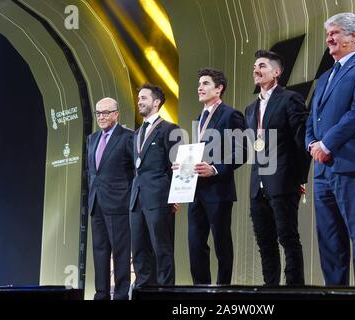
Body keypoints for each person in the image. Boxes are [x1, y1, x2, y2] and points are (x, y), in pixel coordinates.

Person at [305, 12, 355, 286]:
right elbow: (311, 119)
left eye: (335, 32)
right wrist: (312, 144)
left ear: (353, 36)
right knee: (329, 241)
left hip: (353, 165)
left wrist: (327, 143)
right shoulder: (325, 77)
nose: (329, 38)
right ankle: (335, 293)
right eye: (328, 33)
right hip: (323, 170)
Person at [245, 50, 310, 285]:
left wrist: (300, 178)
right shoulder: (250, 109)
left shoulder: (289, 98)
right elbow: (249, 147)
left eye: (261, 65)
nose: (256, 70)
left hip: (283, 181)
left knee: (288, 239)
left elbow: (301, 138)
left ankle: (294, 290)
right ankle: (269, 290)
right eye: (254, 66)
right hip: (257, 185)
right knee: (265, 243)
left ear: (276, 72)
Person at [187, 68, 246, 285]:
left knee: (222, 244)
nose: (199, 87)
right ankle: (200, 290)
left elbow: (242, 152)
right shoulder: (198, 118)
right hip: (196, 190)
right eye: (199, 83)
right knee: (195, 245)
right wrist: (183, 166)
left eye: (205, 83)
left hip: (219, 190)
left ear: (219, 89)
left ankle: (223, 290)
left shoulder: (231, 115)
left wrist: (216, 168)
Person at [130, 84, 180, 287]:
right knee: (139, 250)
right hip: (137, 199)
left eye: (144, 98)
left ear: (156, 102)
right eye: (138, 98)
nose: (139, 101)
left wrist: (175, 197)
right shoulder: (136, 134)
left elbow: (177, 166)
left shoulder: (170, 129)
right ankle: (143, 291)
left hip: (159, 199)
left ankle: (165, 292)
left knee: (162, 249)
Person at [86, 97, 133, 300]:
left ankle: (122, 295)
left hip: (119, 204)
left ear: (116, 114)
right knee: (100, 252)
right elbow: (92, 172)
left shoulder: (128, 137)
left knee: (121, 253)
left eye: (106, 112)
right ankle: (101, 294)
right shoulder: (92, 138)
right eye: (98, 113)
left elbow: (135, 171)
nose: (101, 117)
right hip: (96, 203)